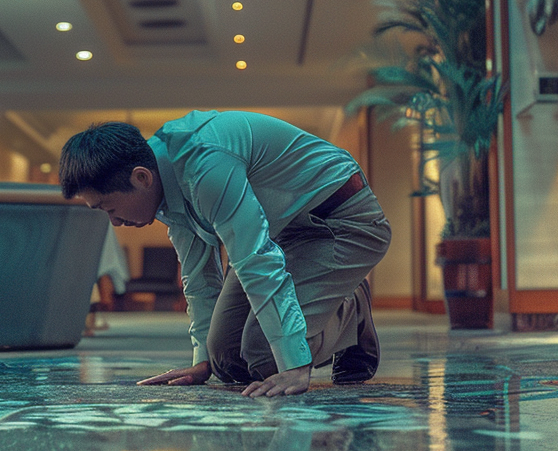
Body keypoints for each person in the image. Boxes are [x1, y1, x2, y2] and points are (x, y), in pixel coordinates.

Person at [58, 111, 391, 397]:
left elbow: (256, 260)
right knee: (226, 360)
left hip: (340, 221)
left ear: (140, 178)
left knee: (267, 356)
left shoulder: (204, 163)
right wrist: (201, 360)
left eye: (110, 208)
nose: (114, 222)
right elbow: (199, 276)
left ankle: (351, 305)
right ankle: (321, 303)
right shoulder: (157, 178)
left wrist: (294, 364)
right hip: (278, 233)